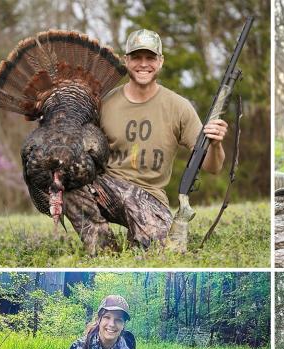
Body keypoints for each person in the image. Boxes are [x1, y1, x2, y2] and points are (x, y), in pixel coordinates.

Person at [63, 29, 228, 253]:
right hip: (107, 188)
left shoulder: (179, 107)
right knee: (67, 180)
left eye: (150, 58)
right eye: (137, 57)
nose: (143, 64)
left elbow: (213, 167)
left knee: (158, 252)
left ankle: (140, 238)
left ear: (160, 61)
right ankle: (103, 247)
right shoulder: (104, 103)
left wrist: (216, 144)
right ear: (126, 60)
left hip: (149, 195)